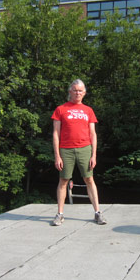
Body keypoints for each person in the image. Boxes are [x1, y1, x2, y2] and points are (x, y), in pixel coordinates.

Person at [51, 79, 107, 226]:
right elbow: (56, 133)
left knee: (89, 179)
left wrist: (94, 155)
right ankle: (60, 214)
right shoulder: (60, 109)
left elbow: (93, 134)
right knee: (63, 181)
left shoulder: (88, 110)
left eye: (80, 90)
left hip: (85, 149)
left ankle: (97, 213)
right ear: (70, 91)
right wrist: (57, 156)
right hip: (66, 150)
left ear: (84, 93)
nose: (77, 93)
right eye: (75, 90)